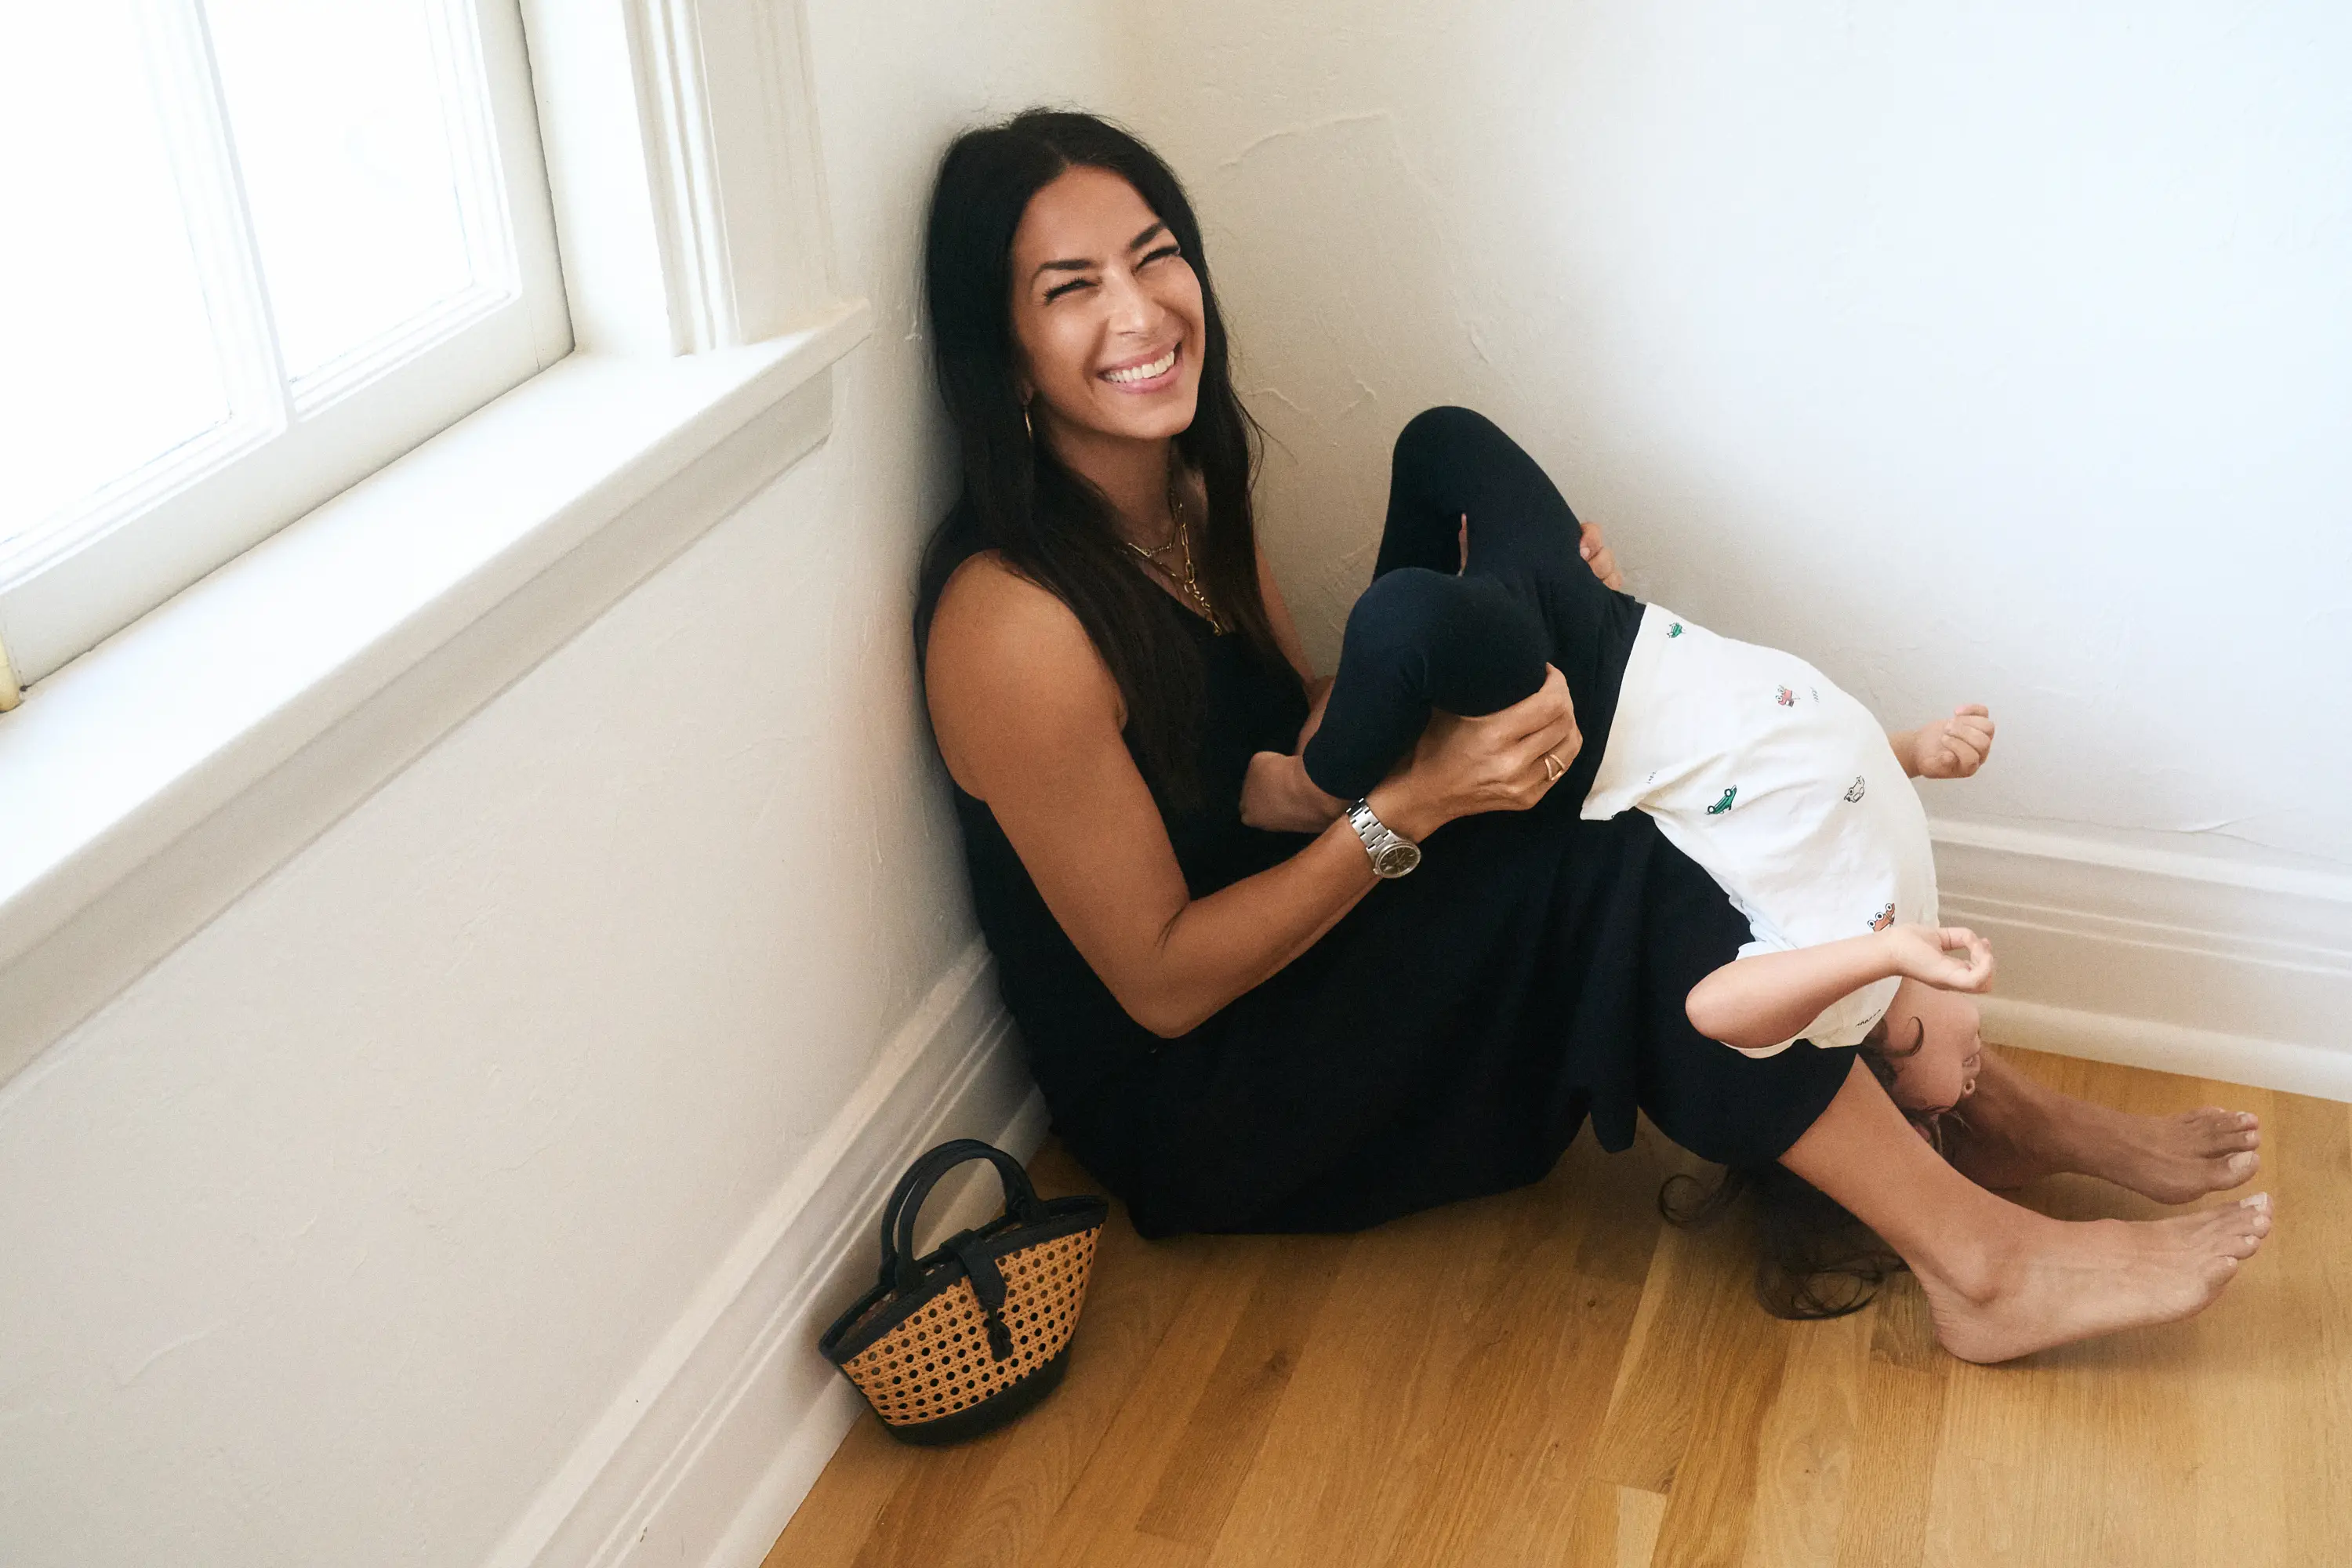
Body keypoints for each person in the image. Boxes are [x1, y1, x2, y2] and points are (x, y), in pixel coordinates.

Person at [914, 108, 2270, 1363]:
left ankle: (1982, 1115)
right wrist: (1421, 810)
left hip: (1308, 942)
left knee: (1597, 762)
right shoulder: (1010, 628)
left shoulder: (1187, 493)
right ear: (1005, 353)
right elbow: (1159, 984)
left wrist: (1532, 629)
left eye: (1155, 259)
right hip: (1212, 1092)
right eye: (1071, 288)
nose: (1141, 311)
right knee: (1616, 868)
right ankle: (1982, 1264)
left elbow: (1304, 729)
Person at [1241, 449, 2004, 1131]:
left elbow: (1713, 1008)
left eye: (1940, 1106)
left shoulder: (1839, 1000)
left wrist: (1883, 955)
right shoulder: (1916, 912)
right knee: (1441, 441)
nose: (1969, 1088)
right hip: (1618, 626)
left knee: (1407, 614)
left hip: (1575, 718)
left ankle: (1310, 790)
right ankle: (1390, 730)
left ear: (1889, 1071)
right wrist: (1916, 750)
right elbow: (1823, 790)